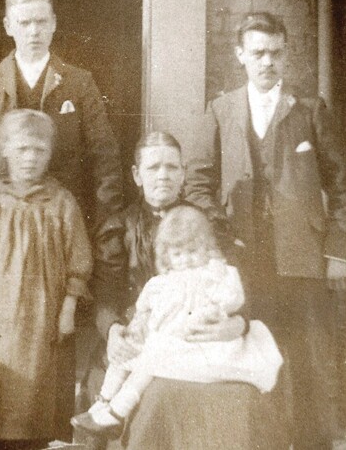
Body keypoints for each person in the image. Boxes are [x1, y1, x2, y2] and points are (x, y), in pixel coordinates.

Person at [0, 0, 122, 436]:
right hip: (5, 238)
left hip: (57, 228)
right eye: (24, 22)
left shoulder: (79, 82)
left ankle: (42, 436)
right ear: (8, 26)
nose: (33, 31)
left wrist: (104, 221)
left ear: (53, 24)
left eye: (42, 21)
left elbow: (105, 156)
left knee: (52, 347)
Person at [184, 12, 346, 449]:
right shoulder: (221, 109)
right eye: (258, 53)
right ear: (241, 56)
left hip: (303, 260)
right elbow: (197, 181)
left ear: (286, 54)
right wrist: (218, 240)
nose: (267, 62)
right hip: (244, 260)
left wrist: (336, 252)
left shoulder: (310, 110)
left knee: (309, 363)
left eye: (275, 53)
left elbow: (342, 182)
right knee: (252, 358)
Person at [87, 131, 280, 449]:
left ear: (183, 174)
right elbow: (106, 295)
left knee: (237, 396)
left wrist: (238, 323)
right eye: (153, 168)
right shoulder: (119, 228)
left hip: (204, 337)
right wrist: (113, 331)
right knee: (135, 389)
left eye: (172, 167)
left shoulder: (208, 224)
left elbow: (236, 286)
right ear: (137, 175)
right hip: (141, 337)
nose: (163, 175)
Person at [73, 205, 282, 434]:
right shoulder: (163, 281)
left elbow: (234, 299)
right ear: (168, 256)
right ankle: (103, 400)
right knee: (131, 350)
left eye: (193, 251)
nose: (186, 260)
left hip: (202, 343)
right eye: (178, 254)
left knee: (152, 357)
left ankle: (117, 413)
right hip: (172, 338)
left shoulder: (215, 274)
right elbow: (143, 307)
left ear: (206, 248)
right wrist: (139, 323)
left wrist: (216, 308)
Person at [0, 109, 93, 449]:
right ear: (5, 150)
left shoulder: (61, 202)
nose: (30, 158)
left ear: (49, 154)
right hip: (1, 315)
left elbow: (78, 261)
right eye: (22, 149)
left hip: (44, 313)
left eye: (39, 150)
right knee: (2, 393)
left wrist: (68, 308)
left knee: (39, 395)